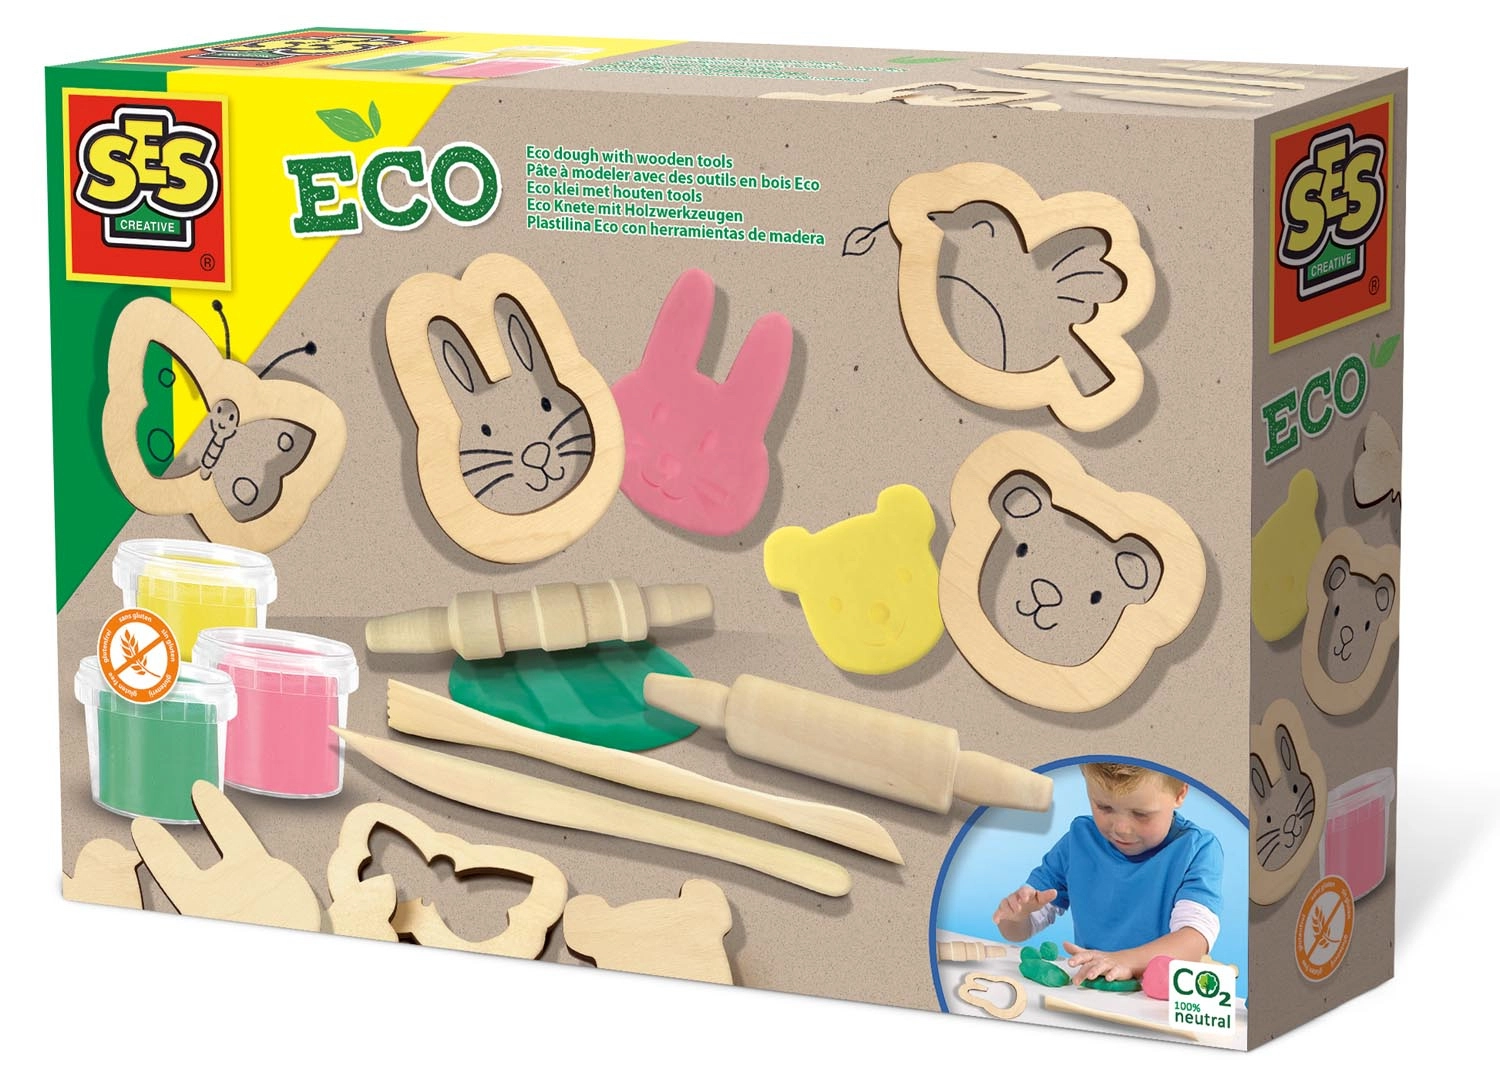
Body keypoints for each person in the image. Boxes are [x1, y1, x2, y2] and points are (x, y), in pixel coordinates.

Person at [992, 761, 1223, 983]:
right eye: (1104, 807)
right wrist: (1016, 916)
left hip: (1160, 1000)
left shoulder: (1196, 849)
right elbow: (1017, 931)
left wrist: (1125, 961)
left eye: (1141, 814)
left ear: (1180, 793)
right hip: (1091, 989)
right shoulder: (1078, 841)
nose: (1121, 829)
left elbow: (1195, 941)